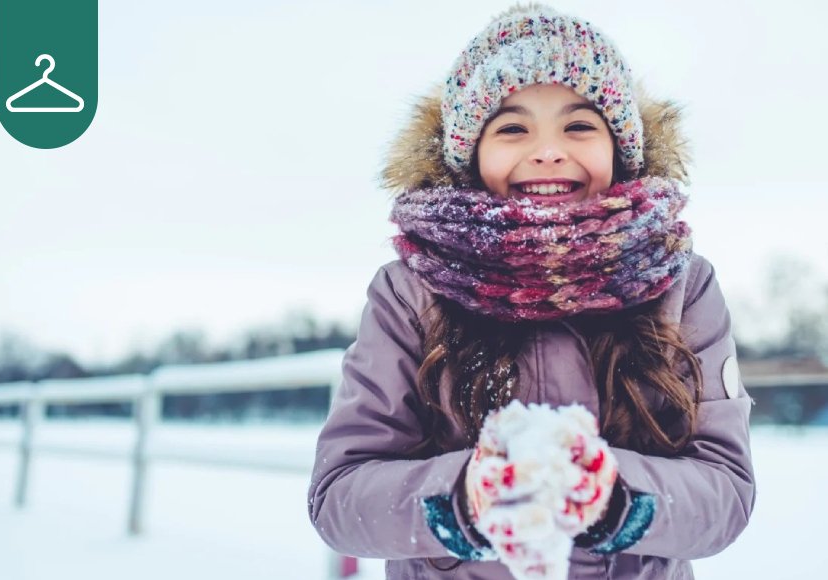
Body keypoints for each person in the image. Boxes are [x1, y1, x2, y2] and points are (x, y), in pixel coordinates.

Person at [307, 3, 755, 578]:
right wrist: (464, 499)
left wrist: (616, 496)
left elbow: (727, 489)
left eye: (579, 125)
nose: (547, 150)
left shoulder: (683, 284)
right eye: (513, 127)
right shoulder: (408, 292)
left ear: (621, 148)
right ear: (469, 153)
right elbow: (340, 494)